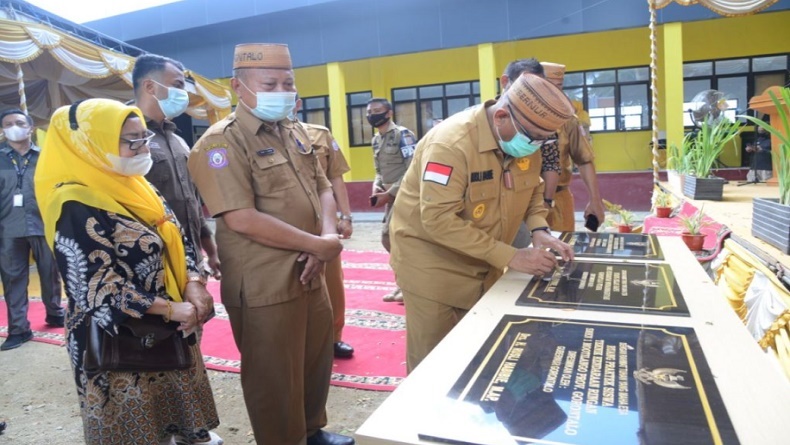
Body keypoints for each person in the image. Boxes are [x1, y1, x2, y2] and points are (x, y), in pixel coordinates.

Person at [187, 43, 352, 445]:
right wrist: (317, 244)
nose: (283, 91)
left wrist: (324, 239)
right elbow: (240, 217)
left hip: (312, 268)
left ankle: (311, 430)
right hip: (265, 281)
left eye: (288, 83)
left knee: (315, 358)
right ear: (238, 87)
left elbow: (322, 185)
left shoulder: (294, 131)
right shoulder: (220, 143)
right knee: (274, 374)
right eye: (270, 83)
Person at [34, 99, 221, 445]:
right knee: (132, 428)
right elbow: (93, 286)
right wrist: (168, 308)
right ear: (90, 144)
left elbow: (176, 235)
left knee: (169, 421)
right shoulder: (73, 202)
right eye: (130, 141)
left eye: (143, 137)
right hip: (117, 337)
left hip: (172, 324)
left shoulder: (135, 184)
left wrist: (194, 283)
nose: (142, 147)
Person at [389, 73, 576, 373]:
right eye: (533, 139)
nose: (536, 147)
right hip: (434, 270)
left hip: (484, 263)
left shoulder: (525, 137)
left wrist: (539, 228)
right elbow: (437, 220)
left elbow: (533, 189)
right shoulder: (451, 144)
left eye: (544, 140)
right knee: (435, 370)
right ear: (501, 116)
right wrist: (513, 256)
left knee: (476, 362)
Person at [132, 54, 221, 280]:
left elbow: (191, 199)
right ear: (150, 86)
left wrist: (209, 250)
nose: (184, 94)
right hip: (154, 262)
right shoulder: (126, 138)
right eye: (178, 85)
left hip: (192, 258)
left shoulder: (178, 141)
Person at [294, 98, 355, 359]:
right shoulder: (257, 139)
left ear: (297, 103)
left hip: (323, 222)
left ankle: (333, 337)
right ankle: (299, 340)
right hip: (285, 223)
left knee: (332, 280)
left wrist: (346, 216)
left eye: (288, 91)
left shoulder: (320, 134)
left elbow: (335, 177)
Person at [0, 109, 65, 351]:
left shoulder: (47, 157)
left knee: (50, 273)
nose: (13, 127)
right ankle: (19, 329)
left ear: (30, 128)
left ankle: (55, 313)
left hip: (44, 223)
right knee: (13, 278)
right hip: (8, 227)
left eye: (18, 123)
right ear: (3, 131)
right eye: (8, 124)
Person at [497, 59, 562, 248]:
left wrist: (545, 205)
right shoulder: (481, 121)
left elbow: (549, 165)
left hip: (524, 209)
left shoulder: (543, 122)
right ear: (505, 82)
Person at [540, 62, 606, 232]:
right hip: (524, 201)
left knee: (562, 252)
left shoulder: (568, 120)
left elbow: (584, 160)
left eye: (559, 87)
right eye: (548, 86)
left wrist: (595, 200)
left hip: (559, 199)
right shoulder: (518, 118)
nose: (555, 92)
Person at [367, 98, 416, 303]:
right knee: (390, 241)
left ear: (389, 113)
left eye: (377, 111)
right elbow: (379, 170)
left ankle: (411, 287)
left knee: (396, 239)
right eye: (369, 112)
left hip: (405, 195)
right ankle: (402, 284)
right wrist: (376, 186)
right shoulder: (376, 140)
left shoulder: (403, 135)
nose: (372, 115)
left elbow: (413, 168)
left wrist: (391, 192)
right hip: (388, 197)